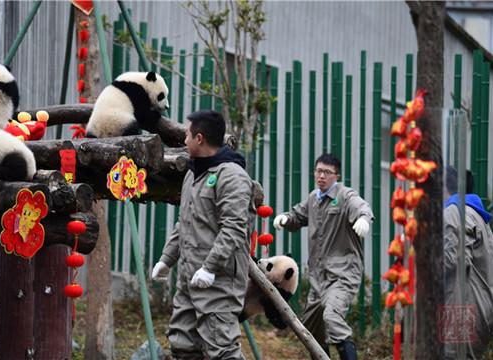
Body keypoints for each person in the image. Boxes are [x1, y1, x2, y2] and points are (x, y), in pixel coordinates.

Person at [151, 110, 255, 360]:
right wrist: (167, 260)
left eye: (187, 135)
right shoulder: (192, 174)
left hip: (218, 281)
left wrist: (210, 267)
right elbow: (184, 223)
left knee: (222, 349)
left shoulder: (232, 176)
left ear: (199, 138)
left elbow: (234, 228)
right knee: (183, 344)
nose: (184, 141)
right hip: (189, 278)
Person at [273, 153, 373, 360]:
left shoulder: (345, 196)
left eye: (327, 172)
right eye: (318, 171)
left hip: (342, 274)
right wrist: (286, 218)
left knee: (332, 316)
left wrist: (364, 219)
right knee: (310, 327)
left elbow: (360, 206)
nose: (321, 176)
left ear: (336, 175)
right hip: (319, 276)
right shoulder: (313, 198)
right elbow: (299, 215)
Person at [443, 166, 493, 359]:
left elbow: (451, 261)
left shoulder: (454, 213)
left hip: (462, 311)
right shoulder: (476, 215)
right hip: (479, 307)